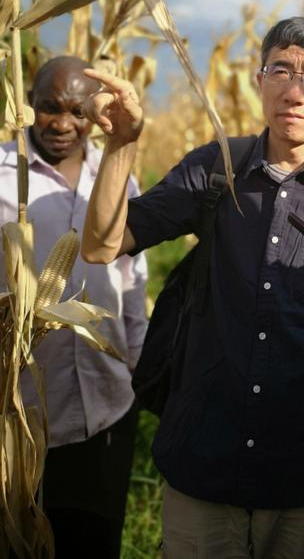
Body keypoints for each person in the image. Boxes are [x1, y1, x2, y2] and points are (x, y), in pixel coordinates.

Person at [81, 16, 304, 559]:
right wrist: (122, 144)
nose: (294, 90)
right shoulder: (215, 167)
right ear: (258, 79)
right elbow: (102, 245)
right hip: (202, 459)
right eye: (281, 70)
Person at [0, 56, 148, 559]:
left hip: (107, 407)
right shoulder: (4, 175)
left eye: (77, 112)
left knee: (93, 541)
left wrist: (137, 366)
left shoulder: (118, 178)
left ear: (96, 115)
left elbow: (132, 282)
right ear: (30, 107)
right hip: (18, 413)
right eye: (48, 108)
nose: (62, 124)